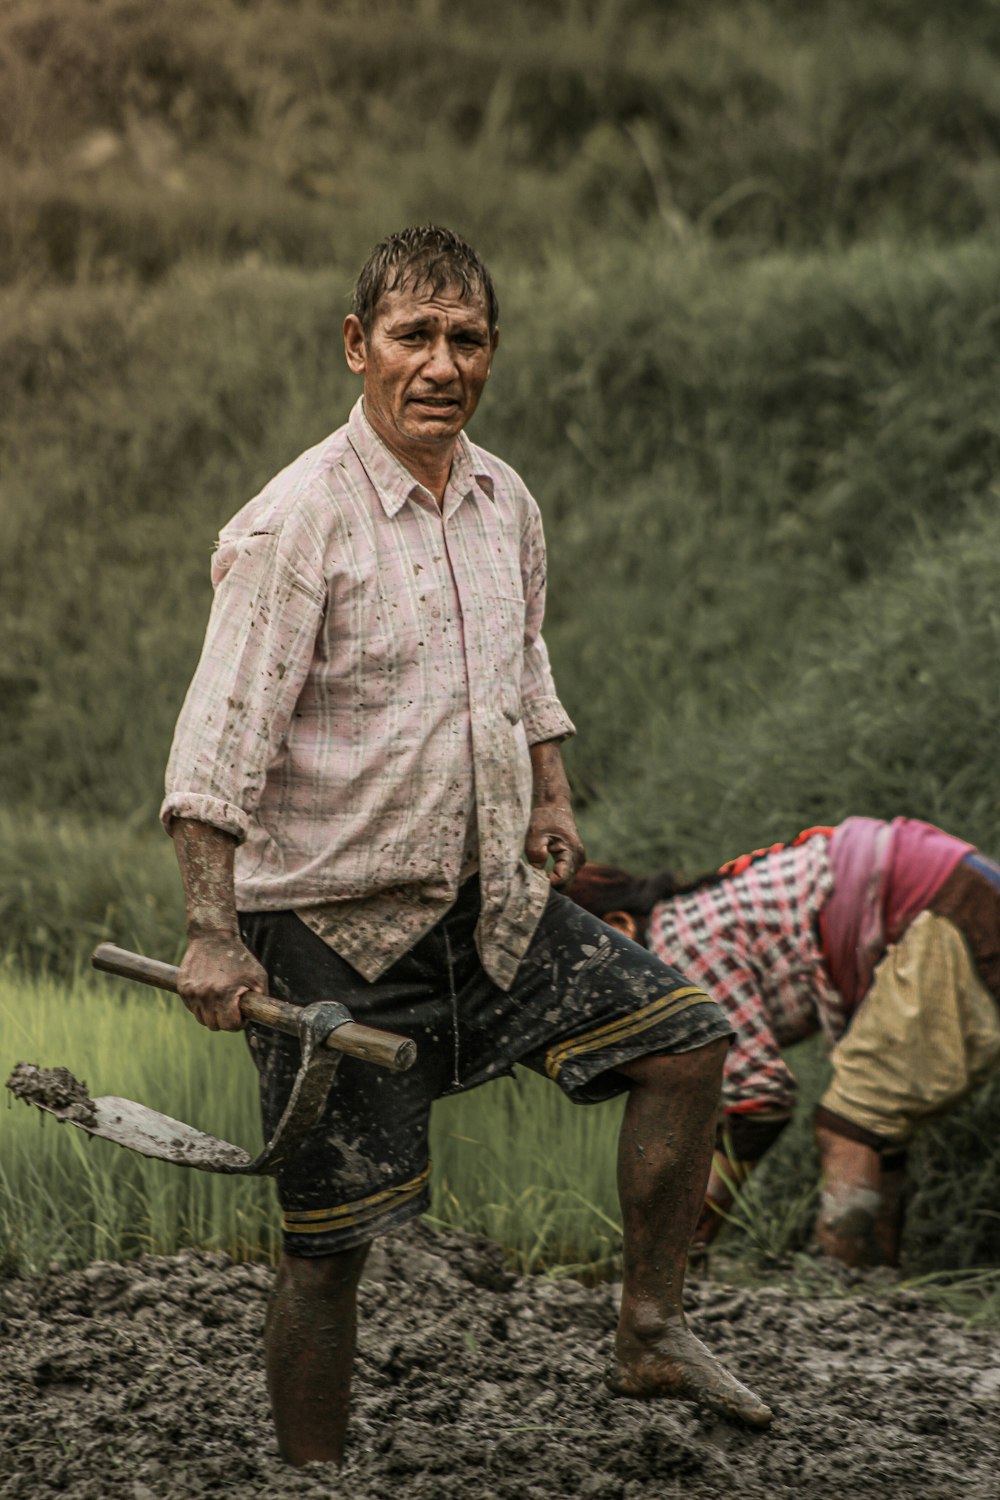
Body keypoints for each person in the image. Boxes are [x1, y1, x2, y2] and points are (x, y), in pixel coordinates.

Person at [160, 225, 772, 1465]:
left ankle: (650, 1324)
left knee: (686, 1042)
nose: (441, 363)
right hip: (331, 931)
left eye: (467, 338)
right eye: (413, 336)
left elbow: (521, 663)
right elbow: (213, 750)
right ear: (357, 348)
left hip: (482, 906)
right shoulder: (297, 527)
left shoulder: (503, 501)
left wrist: (548, 793)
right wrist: (215, 935)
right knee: (327, 1249)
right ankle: (312, 1477)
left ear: (490, 353)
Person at [566, 817, 1000, 1269]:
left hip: (942, 908)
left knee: (852, 1122)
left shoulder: (676, 948)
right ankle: (879, 1285)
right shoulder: (692, 920)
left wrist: (683, 1232)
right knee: (877, 1127)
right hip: (949, 889)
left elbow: (761, 1101)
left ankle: (847, 1293)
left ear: (621, 926)